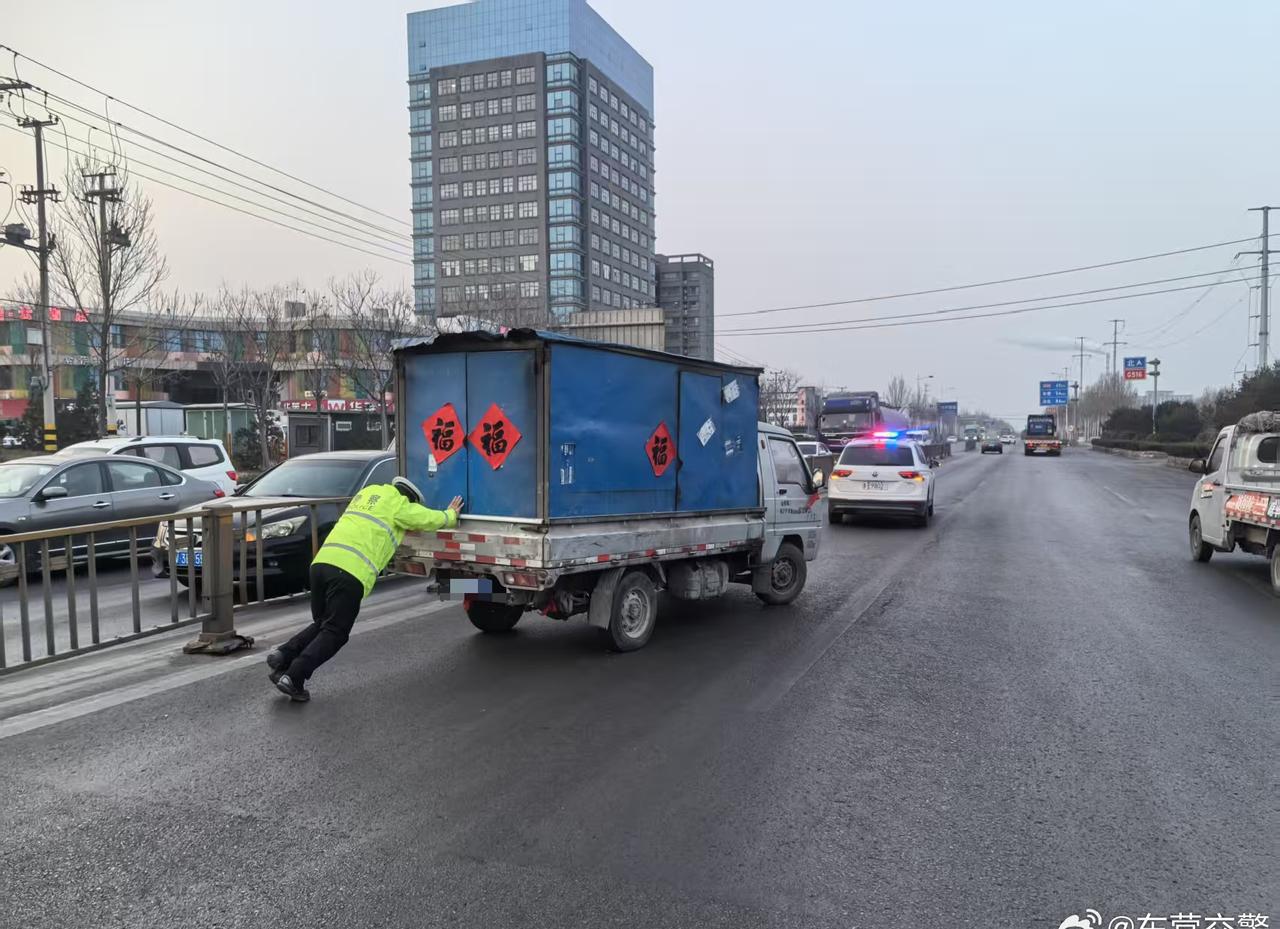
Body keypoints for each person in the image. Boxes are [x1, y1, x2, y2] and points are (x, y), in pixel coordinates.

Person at [267, 477, 463, 701]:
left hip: (322, 564)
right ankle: (294, 677)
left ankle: (283, 655)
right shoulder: (398, 504)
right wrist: (450, 515)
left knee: (323, 623)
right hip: (348, 572)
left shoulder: (366, 495)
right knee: (335, 632)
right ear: (410, 499)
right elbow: (426, 519)